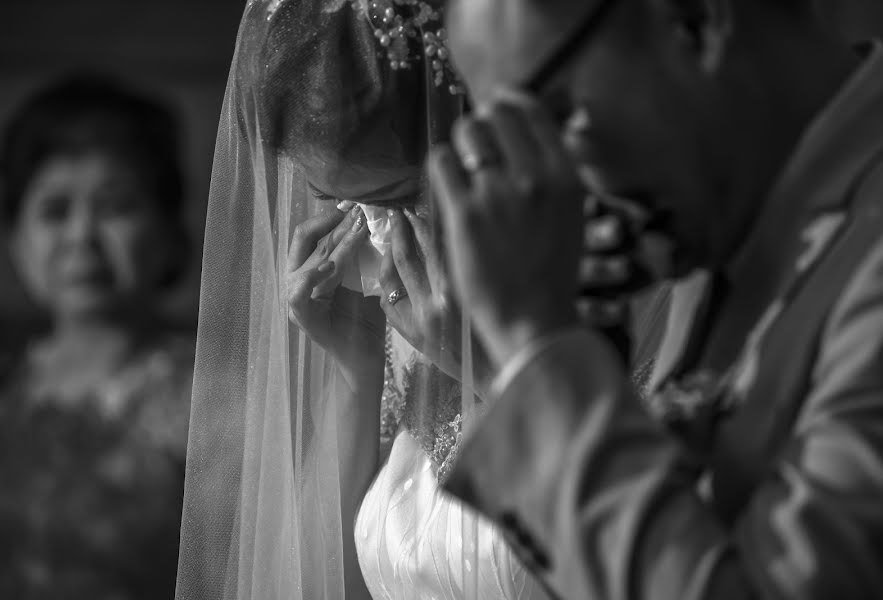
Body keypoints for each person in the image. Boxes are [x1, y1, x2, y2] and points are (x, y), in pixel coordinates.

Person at [175, 1, 667, 598]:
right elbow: (320, 585)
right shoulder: (408, 328)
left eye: (401, 199)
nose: (379, 237)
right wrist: (357, 367)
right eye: (345, 204)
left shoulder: (654, 307)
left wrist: (491, 370)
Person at [428, 0, 883, 598]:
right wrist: (593, 363)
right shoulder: (720, 242)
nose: (558, 185)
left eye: (553, 117)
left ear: (696, 19)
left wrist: (535, 341)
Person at [0, 75, 194, 598]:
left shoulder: (212, 396)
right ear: (17, 241)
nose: (81, 236)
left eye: (116, 207)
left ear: (169, 233)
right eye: (54, 211)